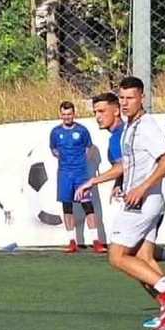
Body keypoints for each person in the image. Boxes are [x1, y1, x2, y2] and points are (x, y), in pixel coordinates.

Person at [74, 78, 165, 330]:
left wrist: (142, 187)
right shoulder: (131, 127)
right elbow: (126, 165)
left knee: (116, 256)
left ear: (142, 98)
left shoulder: (146, 126)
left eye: (130, 98)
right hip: (145, 201)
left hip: (142, 202)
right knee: (143, 258)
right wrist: (95, 181)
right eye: (122, 98)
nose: (125, 103)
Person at [49, 101, 104, 253]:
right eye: (64, 114)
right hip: (64, 174)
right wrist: (64, 159)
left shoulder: (82, 131)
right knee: (67, 207)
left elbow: (89, 148)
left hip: (80, 174)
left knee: (88, 206)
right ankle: (72, 241)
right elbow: (53, 150)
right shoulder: (55, 132)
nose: (67, 117)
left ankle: (96, 241)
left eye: (69, 114)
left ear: (74, 114)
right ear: (60, 114)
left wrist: (79, 162)